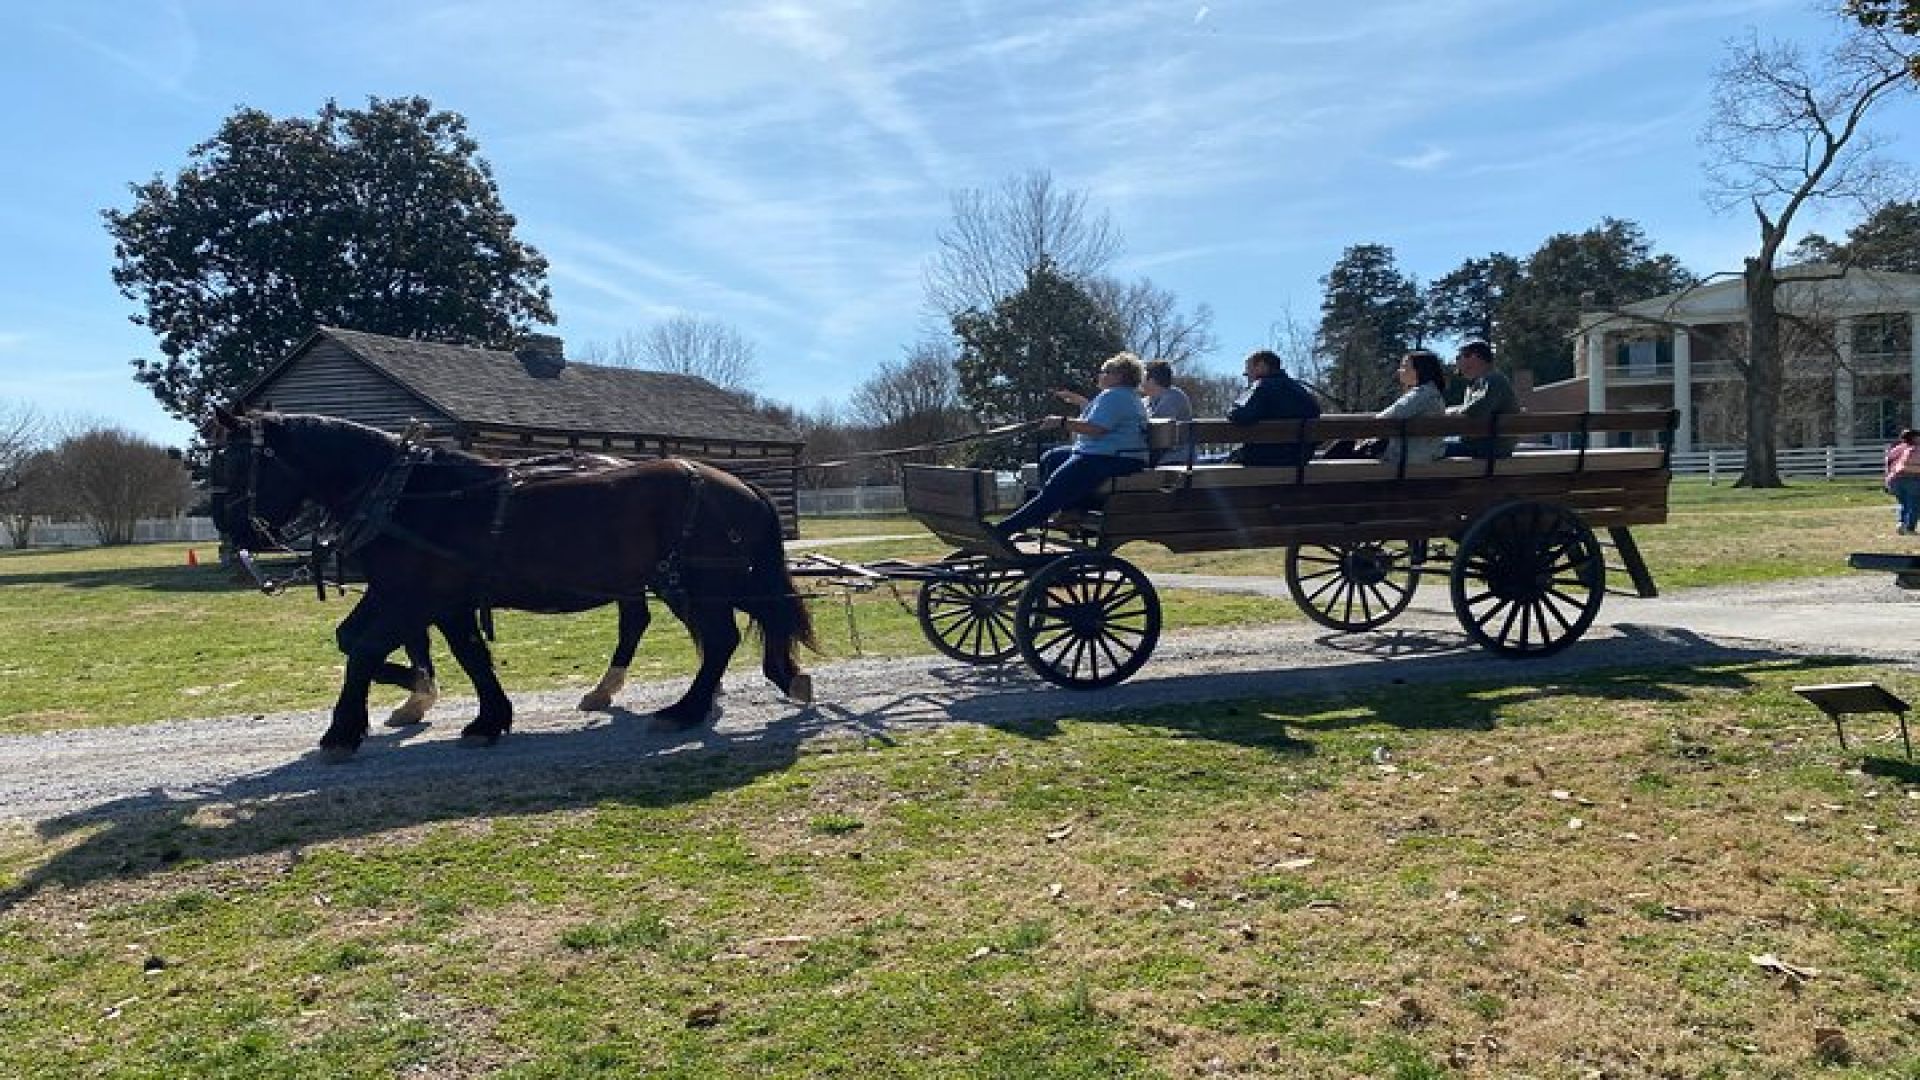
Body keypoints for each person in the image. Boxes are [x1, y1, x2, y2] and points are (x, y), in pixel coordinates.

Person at [992, 352, 1151, 542]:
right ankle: (1070, 509)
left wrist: (1062, 422)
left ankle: (1004, 530)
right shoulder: (1124, 396)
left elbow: (1096, 428)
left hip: (1109, 459)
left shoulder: (1114, 396)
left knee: (1052, 492)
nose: (1100, 375)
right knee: (1052, 457)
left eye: (1105, 371)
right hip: (1112, 456)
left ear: (1119, 375)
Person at [1227, 349, 1320, 465]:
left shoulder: (1261, 387)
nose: (1248, 377)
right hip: (1299, 460)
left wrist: (1233, 408)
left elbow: (1240, 415)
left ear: (1261, 366)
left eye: (1248, 372)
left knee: (1233, 458)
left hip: (1265, 459)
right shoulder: (1301, 391)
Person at [1443, 340, 1519, 459]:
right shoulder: (1478, 384)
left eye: (1459, 357)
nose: (1456, 362)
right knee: (1430, 446)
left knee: (1431, 449)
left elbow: (1476, 410)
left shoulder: (1494, 380)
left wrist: (1449, 412)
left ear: (1474, 357)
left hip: (1489, 449)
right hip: (1481, 445)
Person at [1377, 350, 1449, 465]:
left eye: (1404, 366)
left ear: (1419, 370)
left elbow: (1383, 418)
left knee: (1344, 448)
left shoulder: (1420, 395)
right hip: (1421, 455)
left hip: (1404, 458)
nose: (1399, 370)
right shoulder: (1432, 393)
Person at [1142, 360, 1195, 464]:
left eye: (1142, 378)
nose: (1140, 382)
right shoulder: (1146, 400)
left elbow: (1157, 429)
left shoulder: (1174, 397)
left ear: (1151, 380)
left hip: (1176, 457)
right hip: (1155, 456)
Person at [1886, 429, 1920, 535]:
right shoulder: (1915, 448)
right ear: (1914, 438)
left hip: (1895, 478)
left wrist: (1888, 477)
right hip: (1912, 479)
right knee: (1914, 504)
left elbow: (1888, 460)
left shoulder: (1898, 448)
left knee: (1904, 503)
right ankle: (1910, 528)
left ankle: (1901, 523)